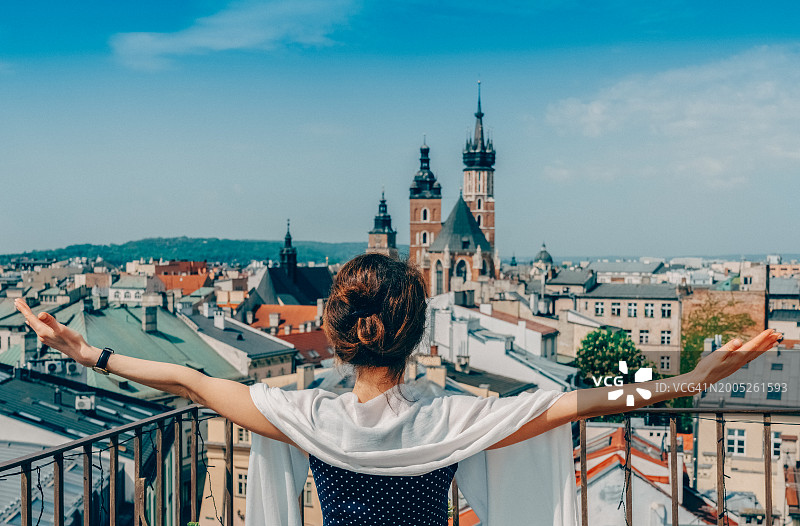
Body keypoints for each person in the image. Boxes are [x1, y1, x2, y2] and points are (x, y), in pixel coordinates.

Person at [14, 253, 781, 525]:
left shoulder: (305, 416)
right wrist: (686, 380)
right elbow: (586, 403)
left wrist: (90, 354)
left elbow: (191, 377)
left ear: (343, 335)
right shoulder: (452, 419)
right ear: (418, 336)